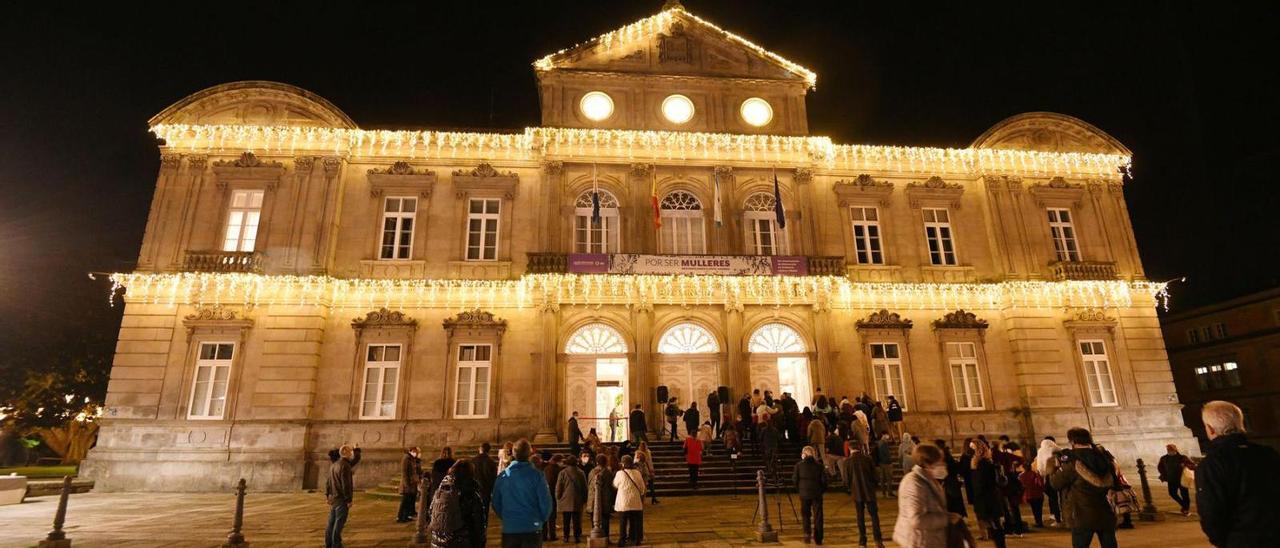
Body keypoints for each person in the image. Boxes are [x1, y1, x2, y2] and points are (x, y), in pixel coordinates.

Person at [1195, 400, 1280, 547]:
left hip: (1242, 540)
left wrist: (1226, 542)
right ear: (1240, 424)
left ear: (1210, 429)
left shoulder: (1211, 464)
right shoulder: (1268, 454)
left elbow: (1211, 513)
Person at [1048, 427, 1117, 548]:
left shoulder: (1072, 461)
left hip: (1082, 514)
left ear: (1073, 442)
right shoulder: (1104, 457)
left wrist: (1053, 469)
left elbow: (1055, 483)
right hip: (1106, 511)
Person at [893, 444, 960, 548]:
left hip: (929, 539)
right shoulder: (913, 483)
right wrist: (946, 519)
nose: (943, 465)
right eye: (939, 462)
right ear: (927, 464)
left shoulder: (928, 479)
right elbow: (916, 519)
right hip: (918, 541)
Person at [492, 439, 553, 548]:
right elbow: (546, 502)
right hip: (532, 527)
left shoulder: (503, 477)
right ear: (529, 454)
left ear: (514, 454)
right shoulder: (537, 476)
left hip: (510, 528)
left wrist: (507, 517)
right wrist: (540, 520)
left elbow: (496, 503)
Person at [428, 459, 488, 548]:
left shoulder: (441, 490)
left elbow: (430, 512)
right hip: (459, 541)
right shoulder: (469, 493)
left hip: (437, 542)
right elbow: (478, 523)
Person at [970, 439, 1008, 548]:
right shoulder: (985, 463)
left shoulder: (983, 464)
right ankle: (1000, 545)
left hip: (987, 497)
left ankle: (1001, 545)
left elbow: (983, 483)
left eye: (973, 449)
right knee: (994, 524)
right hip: (989, 496)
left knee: (994, 524)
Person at [846, 443, 884, 547]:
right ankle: (878, 539)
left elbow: (847, 479)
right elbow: (875, 476)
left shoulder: (848, 461)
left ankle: (862, 540)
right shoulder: (868, 459)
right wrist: (874, 485)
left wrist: (850, 488)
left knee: (860, 516)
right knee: (874, 516)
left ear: (850, 449)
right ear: (860, 448)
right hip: (869, 491)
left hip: (856, 492)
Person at [325, 444, 361, 548]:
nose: (352, 453)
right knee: (339, 522)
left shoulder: (334, 464)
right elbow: (346, 484)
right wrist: (348, 499)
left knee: (331, 522)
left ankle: (329, 543)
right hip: (341, 498)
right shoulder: (345, 466)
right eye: (351, 451)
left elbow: (328, 482)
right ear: (347, 453)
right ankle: (336, 544)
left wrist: (327, 495)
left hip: (333, 497)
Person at [794, 445, 827, 545]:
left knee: (805, 515)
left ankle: (807, 534)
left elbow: (795, 479)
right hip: (816, 493)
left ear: (804, 454)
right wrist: (821, 490)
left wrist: (800, 489)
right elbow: (824, 481)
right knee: (818, 515)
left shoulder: (799, 465)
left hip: (804, 493)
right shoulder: (819, 465)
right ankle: (818, 537)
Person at [612, 455, 646, 546]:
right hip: (635, 501)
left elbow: (615, 485)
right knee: (634, 521)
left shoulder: (620, 473)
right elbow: (642, 488)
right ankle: (635, 539)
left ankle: (622, 540)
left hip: (623, 502)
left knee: (623, 522)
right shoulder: (637, 473)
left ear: (623, 464)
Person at [555, 456, 587, 543]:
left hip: (565, 500)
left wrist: (558, 496)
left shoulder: (562, 473)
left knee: (566, 520)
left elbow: (559, 486)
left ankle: (566, 536)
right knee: (577, 520)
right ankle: (577, 536)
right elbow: (584, 487)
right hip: (577, 499)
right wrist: (584, 498)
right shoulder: (581, 472)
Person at [1157, 443, 1194, 516]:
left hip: (1182, 479)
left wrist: (1185, 465)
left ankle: (1186, 510)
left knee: (1184, 495)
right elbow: (1160, 467)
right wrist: (1164, 474)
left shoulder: (1182, 457)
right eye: (1168, 450)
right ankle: (1184, 506)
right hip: (1171, 479)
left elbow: (1192, 465)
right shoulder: (1164, 458)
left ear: (1175, 450)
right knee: (1172, 493)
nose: (1169, 451)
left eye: (1171, 450)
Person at [1035, 436, 1062, 526]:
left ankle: (1057, 518)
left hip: (1048, 476)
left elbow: (1039, 467)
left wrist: (1042, 475)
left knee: (1053, 498)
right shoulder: (1057, 449)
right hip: (1059, 475)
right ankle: (1063, 517)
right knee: (1061, 497)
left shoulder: (1040, 451)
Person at [585, 454, 613, 540]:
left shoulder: (592, 472)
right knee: (605, 520)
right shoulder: (607, 472)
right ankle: (605, 537)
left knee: (593, 519)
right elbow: (610, 486)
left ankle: (595, 535)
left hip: (592, 500)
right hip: (605, 500)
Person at [541, 454, 563, 541]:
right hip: (552, 495)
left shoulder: (546, 468)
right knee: (552, 517)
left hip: (545, 494)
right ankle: (552, 535)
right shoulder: (557, 470)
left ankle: (544, 536)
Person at [398, 446, 423, 523]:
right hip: (407, 484)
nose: (416, 453)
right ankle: (400, 516)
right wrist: (406, 485)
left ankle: (406, 515)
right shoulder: (406, 459)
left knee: (409, 501)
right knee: (405, 501)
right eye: (415, 452)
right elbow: (404, 473)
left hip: (412, 483)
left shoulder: (412, 459)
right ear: (411, 451)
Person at [1020, 462, 1045, 528]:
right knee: (1039, 509)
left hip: (1030, 495)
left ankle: (1038, 522)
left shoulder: (1021, 476)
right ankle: (1039, 521)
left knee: (1034, 509)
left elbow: (1021, 486)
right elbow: (1041, 484)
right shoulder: (1036, 474)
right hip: (1038, 494)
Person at [473, 443, 498, 508]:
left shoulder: (473, 460)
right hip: (486, 490)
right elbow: (493, 477)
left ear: (480, 449)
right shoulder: (491, 461)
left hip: (475, 488)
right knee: (485, 509)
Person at [875, 434, 895, 498]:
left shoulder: (879, 443)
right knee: (889, 478)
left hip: (881, 463)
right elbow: (887, 454)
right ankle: (889, 492)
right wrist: (890, 461)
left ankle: (883, 492)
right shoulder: (884, 444)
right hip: (886, 463)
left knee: (882, 478)